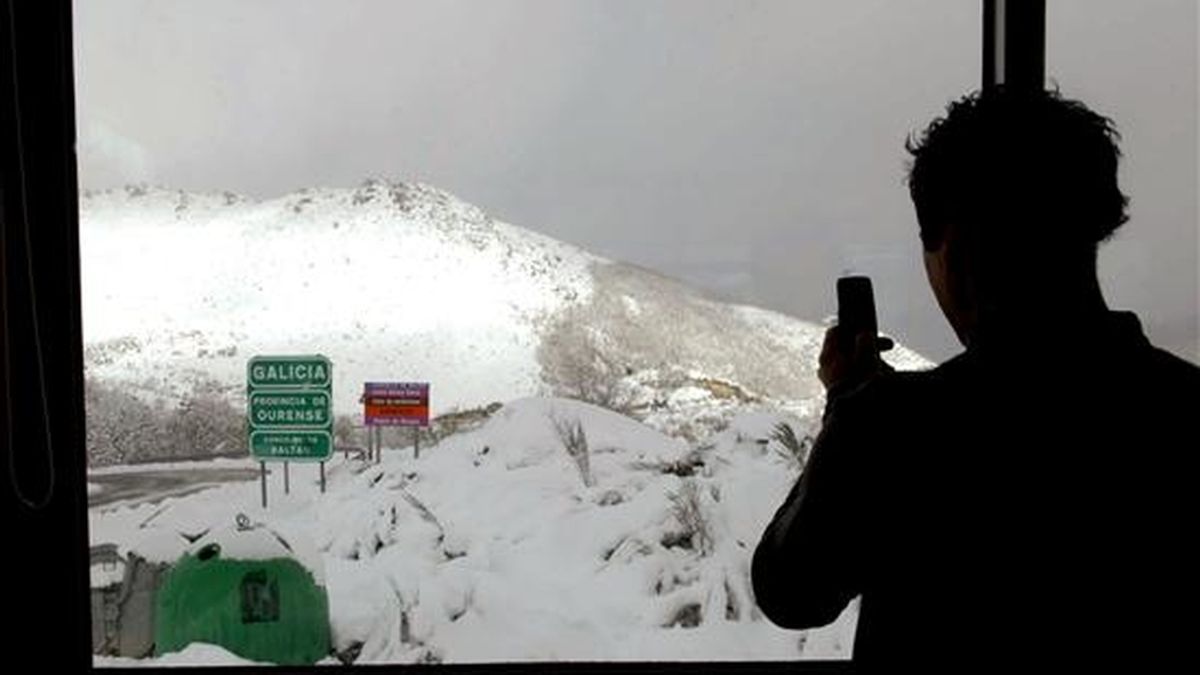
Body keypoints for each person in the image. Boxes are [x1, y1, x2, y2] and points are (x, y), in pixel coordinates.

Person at [751, 87, 1198, 669]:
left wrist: (847, 403)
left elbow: (791, 591)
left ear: (953, 249)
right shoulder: (1186, 413)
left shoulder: (896, 431)